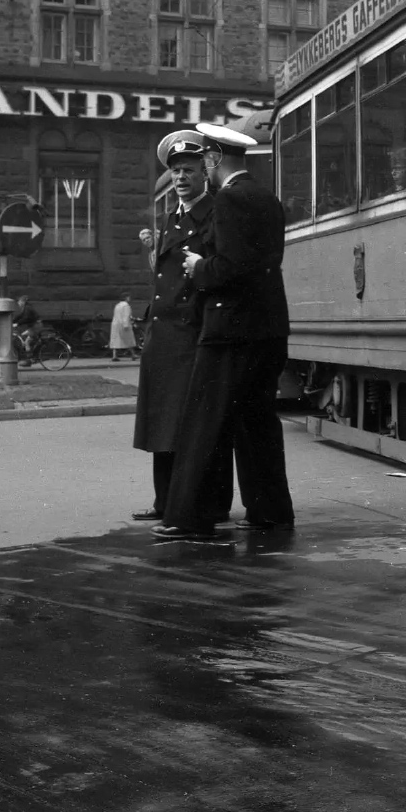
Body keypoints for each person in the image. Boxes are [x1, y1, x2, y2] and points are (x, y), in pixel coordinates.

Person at [155, 122, 293, 539]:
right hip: (268, 330)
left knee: (203, 423)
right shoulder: (266, 198)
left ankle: (189, 517)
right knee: (257, 424)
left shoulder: (229, 200)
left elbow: (231, 268)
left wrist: (200, 268)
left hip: (230, 331)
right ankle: (270, 511)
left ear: (214, 159)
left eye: (205, 161)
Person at [131, 129, 232, 525]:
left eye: (187, 170)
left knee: (199, 425)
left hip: (193, 335)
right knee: (163, 424)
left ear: (204, 172)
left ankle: (209, 504)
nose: (179, 178)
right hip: (164, 337)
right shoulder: (171, 217)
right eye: (174, 171)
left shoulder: (215, 214)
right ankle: (165, 502)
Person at [109, 291, 136, 361]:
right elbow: (126, 316)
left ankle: (114, 355)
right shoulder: (126, 305)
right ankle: (133, 354)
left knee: (115, 340)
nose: (130, 298)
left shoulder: (117, 305)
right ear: (126, 298)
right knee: (129, 339)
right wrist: (126, 324)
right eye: (129, 297)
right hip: (123, 324)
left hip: (115, 324)